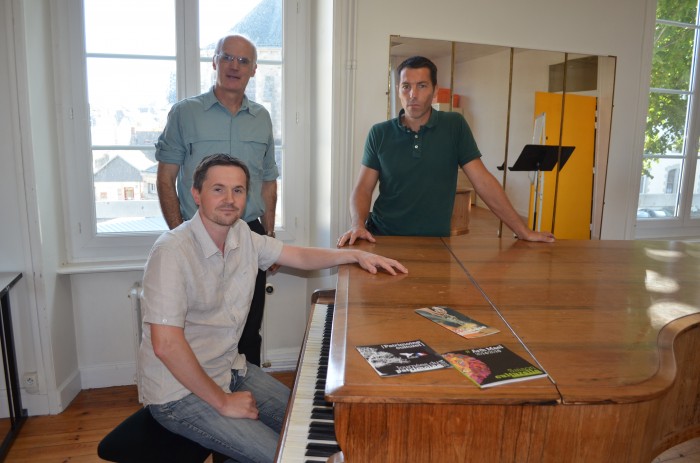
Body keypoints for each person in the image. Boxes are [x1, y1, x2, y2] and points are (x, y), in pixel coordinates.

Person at [139, 154, 407, 462]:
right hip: (179, 393)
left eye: (238, 190)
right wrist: (224, 402)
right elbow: (166, 346)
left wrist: (354, 256)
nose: (229, 199)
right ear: (196, 194)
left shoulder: (242, 235)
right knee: (287, 457)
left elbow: (299, 256)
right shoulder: (171, 252)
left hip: (229, 370)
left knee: (318, 426)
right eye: (218, 189)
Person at [337, 56, 556, 247]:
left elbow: (483, 182)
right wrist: (358, 225)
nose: (412, 94)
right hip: (384, 238)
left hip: (437, 242)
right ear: (398, 90)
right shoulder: (380, 133)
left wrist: (522, 230)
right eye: (406, 86)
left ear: (434, 90)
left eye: (421, 85)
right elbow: (363, 189)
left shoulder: (455, 126)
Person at [155, 34, 275, 366]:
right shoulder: (185, 113)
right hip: (198, 233)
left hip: (249, 235)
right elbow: (166, 179)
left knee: (248, 329)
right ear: (214, 62)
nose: (235, 66)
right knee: (197, 331)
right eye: (227, 58)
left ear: (253, 69)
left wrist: (270, 234)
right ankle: (201, 405)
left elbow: (268, 179)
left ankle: (248, 401)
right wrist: (181, 233)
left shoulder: (262, 117)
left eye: (243, 61)